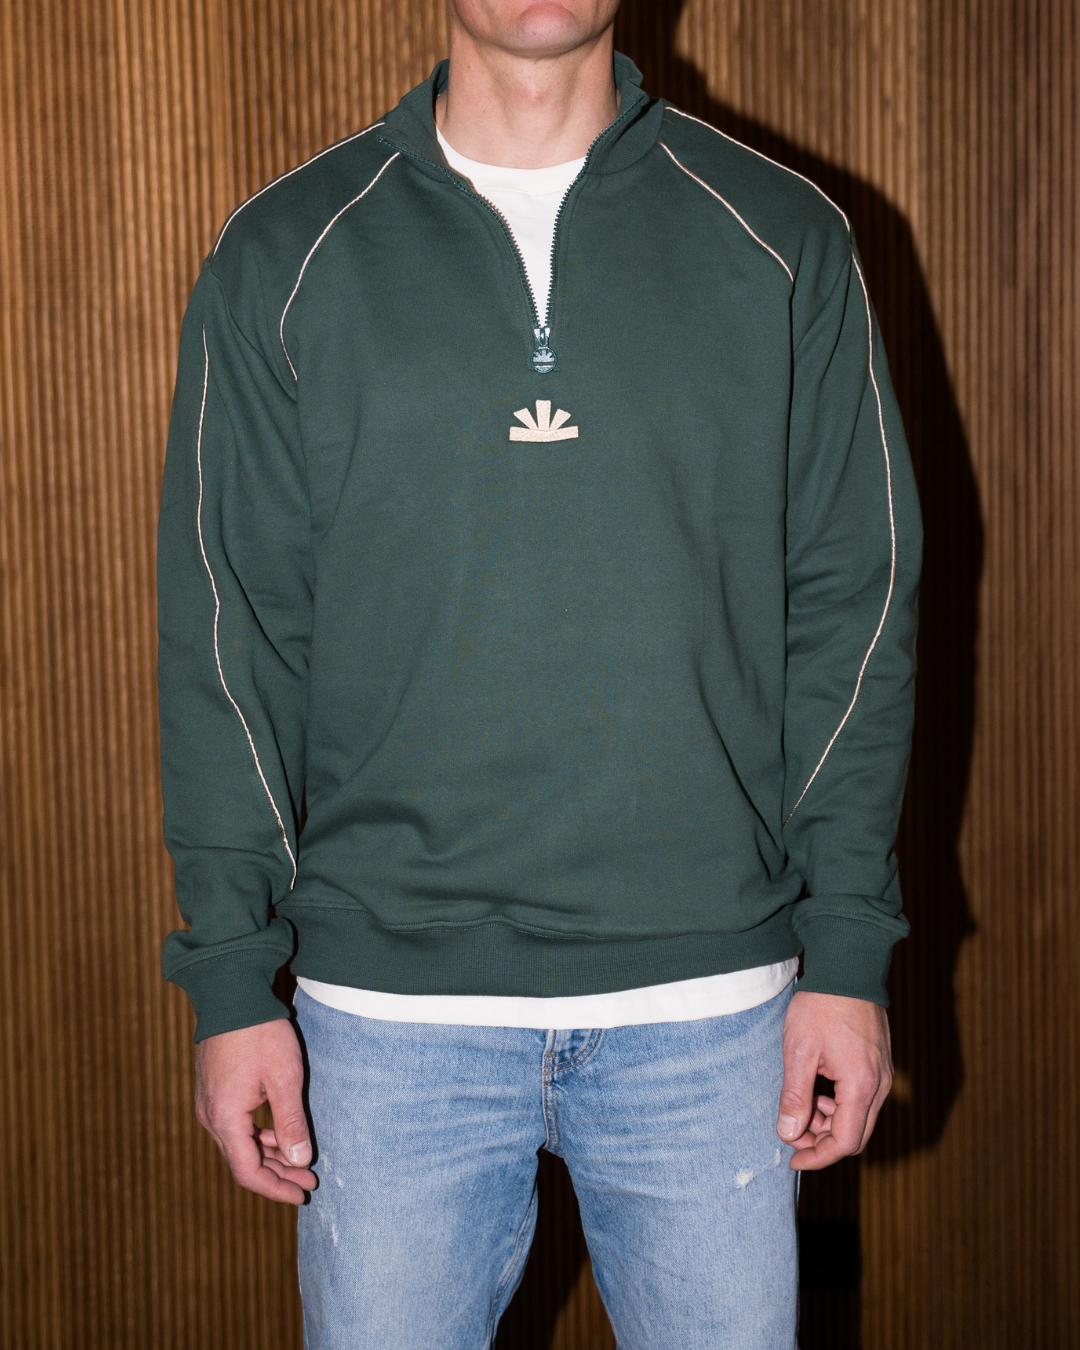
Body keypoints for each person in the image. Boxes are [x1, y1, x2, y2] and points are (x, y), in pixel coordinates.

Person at [157, 1, 921, 1345]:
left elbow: (856, 609)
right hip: (388, 1021)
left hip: (711, 1015)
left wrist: (849, 952)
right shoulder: (286, 251)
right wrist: (231, 977)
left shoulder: (781, 237)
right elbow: (230, 636)